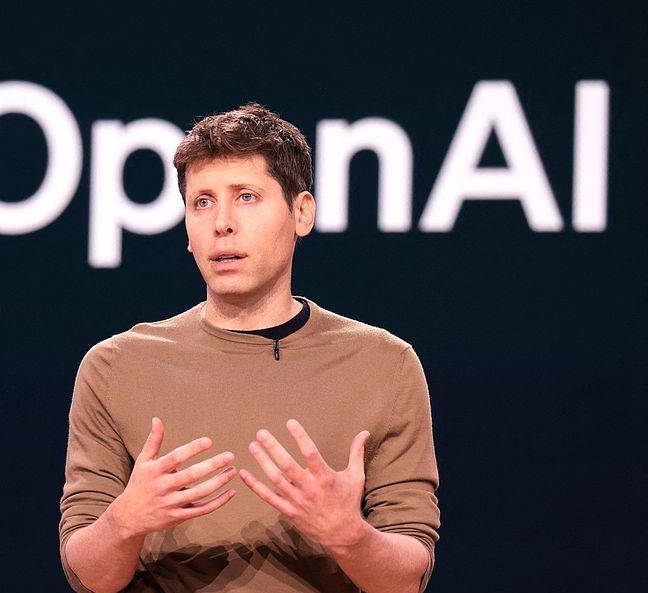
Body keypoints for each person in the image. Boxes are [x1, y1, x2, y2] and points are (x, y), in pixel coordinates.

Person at [58, 102, 440, 593]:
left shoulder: (383, 364)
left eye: (246, 197)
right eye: (202, 202)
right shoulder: (116, 366)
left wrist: (351, 537)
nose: (222, 223)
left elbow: (407, 578)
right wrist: (124, 522)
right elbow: (89, 576)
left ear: (302, 213)